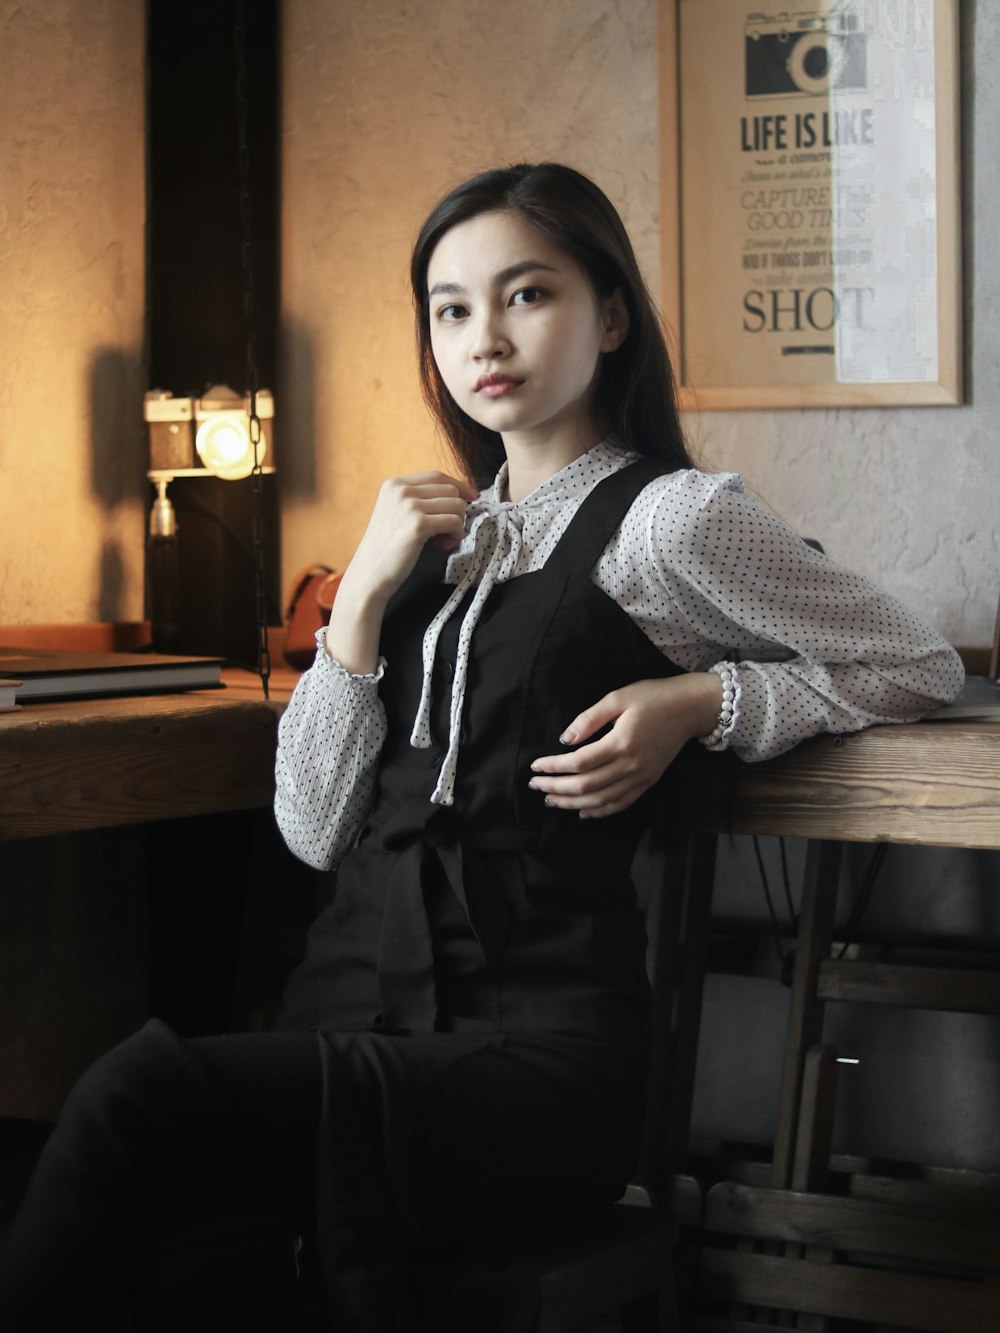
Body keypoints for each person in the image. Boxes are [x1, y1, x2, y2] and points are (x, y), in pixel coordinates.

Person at [0, 162, 964, 1332]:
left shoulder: (669, 521)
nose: (483, 337)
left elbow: (916, 662)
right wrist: (357, 596)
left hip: (534, 1056)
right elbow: (311, 828)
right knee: (172, 1249)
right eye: (451, 309)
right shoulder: (431, 540)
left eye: (526, 295)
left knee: (135, 1100)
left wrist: (700, 700)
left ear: (609, 318)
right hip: (350, 1018)